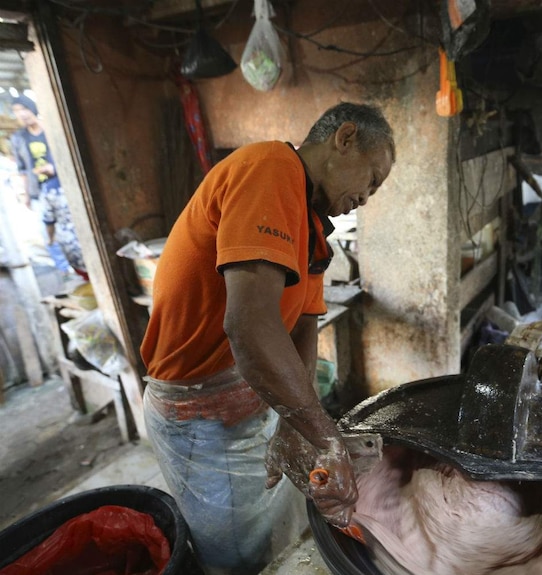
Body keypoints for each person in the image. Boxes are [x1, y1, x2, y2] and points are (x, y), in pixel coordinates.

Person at [139, 102, 395, 575]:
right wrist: (328, 441)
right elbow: (250, 327)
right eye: (372, 180)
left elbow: (303, 326)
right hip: (198, 411)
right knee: (238, 558)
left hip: (248, 394)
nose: (368, 196)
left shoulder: (312, 226)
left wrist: (294, 426)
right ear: (345, 138)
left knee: (279, 544)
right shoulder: (270, 167)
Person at [9, 94, 87, 280]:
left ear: (32, 109)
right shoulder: (19, 138)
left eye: (24, 109)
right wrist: (26, 194)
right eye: (17, 112)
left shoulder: (51, 131)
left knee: (73, 229)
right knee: (48, 233)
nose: (22, 115)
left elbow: (68, 155)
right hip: (39, 191)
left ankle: (84, 266)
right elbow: (22, 169)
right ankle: (66, 271)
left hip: (62, 187)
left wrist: (54, 168)